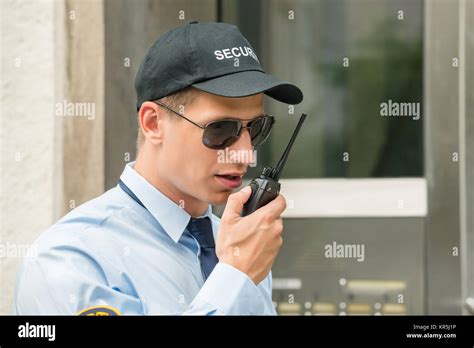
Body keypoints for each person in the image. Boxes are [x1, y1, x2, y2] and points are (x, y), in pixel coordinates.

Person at [14, 21, 303, 315]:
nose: (245, 153)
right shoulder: (71, 259)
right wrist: (235, 278)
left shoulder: (239, 244)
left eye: (256, 128)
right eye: (220, 129)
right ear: (153, 123)